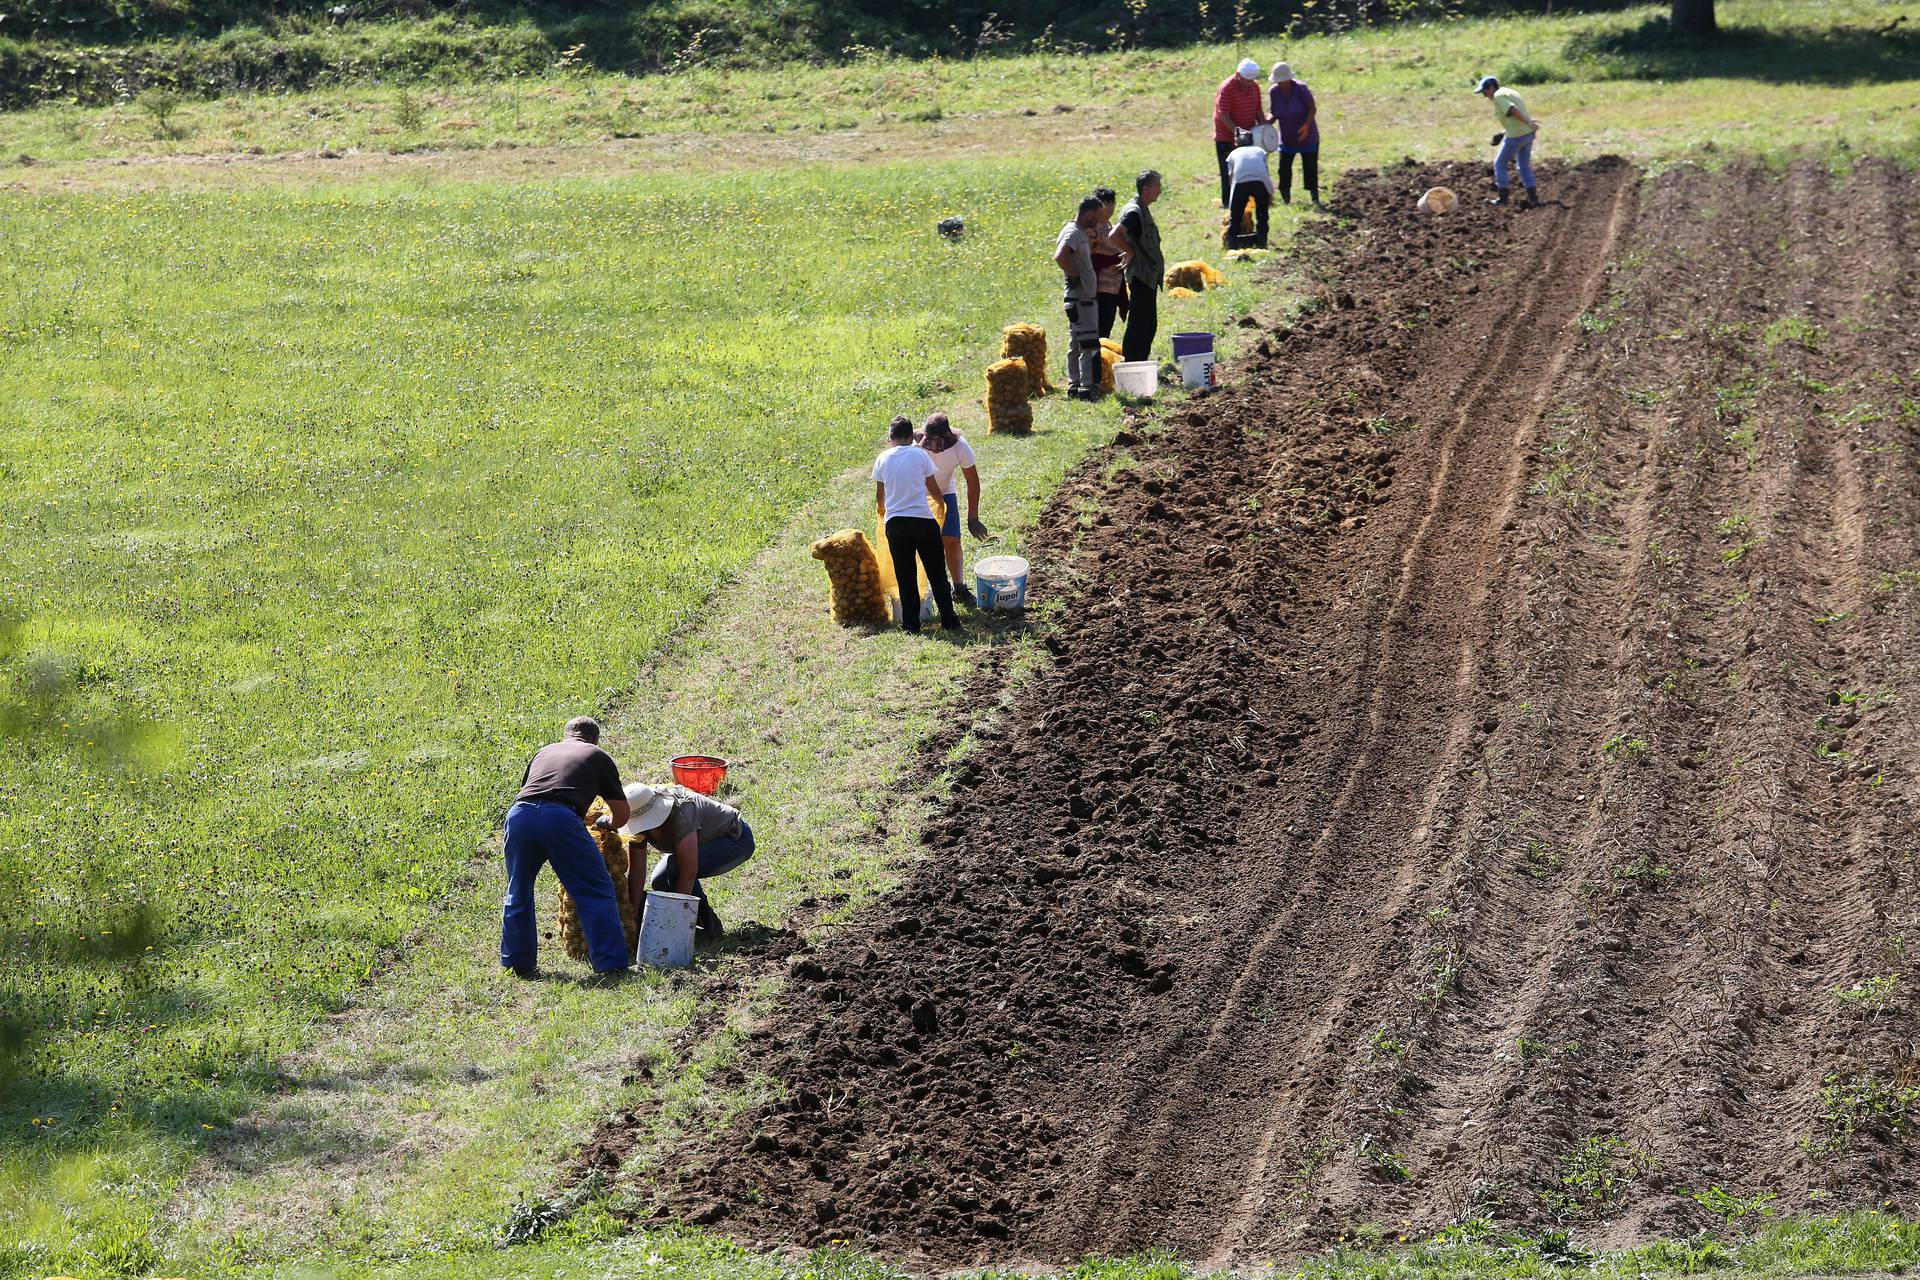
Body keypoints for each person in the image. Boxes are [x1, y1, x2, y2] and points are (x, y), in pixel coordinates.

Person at [500, 716, 633, 978]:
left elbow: (531, 791)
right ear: (594, 739)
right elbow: (622, 814)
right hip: (559, 818)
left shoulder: (545, 752)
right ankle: (611, 964)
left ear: (566, 736)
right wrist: (607, 822)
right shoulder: (597, 755)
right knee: (594, 888)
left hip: (519, 816)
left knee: (518, 889)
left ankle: (517, 964)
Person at [612, 781, 754, 942]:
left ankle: (710, 926)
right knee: (660, 880)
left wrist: (673, 923)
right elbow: (637, 870)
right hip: (702, 842)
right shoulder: (639, 816)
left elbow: (688, 873)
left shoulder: (680, 815)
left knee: (675, 870)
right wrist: (634, 915)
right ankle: (696, 925)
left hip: (735, 839)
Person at [873, 415, 960, 633]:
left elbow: (880, 496)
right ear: (912, 436)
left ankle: (911, 625)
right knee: (937, 573)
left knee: (906, 576)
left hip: (895, 525)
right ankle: (949, 620)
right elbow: (932, 487)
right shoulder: (919, 455)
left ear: (890, 438)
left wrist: (884, 512)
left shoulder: (882, 459)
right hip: (923, 521)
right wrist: (941, 505)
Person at [918, 412, 989, 600]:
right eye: (929, 440)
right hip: (918, 495)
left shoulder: (960, 446)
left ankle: (958, 587)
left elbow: (972, 481)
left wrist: (972, 517)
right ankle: (925, 590)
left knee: (951, 539)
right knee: (925, 543)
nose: (933, 446)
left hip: (945, 492)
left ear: (946, 437)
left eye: (937, 441)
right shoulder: (915, 446)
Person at [1109, 170, 1164, 365]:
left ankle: (1140, 365)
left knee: (1148, 324)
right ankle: (1132, 366)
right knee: (1140, 325)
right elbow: (1114, 235)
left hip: (1147, 276)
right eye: (1157, 186)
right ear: (1146, 188)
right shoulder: (1134, 211)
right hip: (1141, 276)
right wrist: (1129, 251)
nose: (1160, 190)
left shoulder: (1141, 208)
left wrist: (1130, 249)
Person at [1054, 195, 1104, 401]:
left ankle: (1074, 385)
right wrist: (1076, 276)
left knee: (1076, 342)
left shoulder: (1077, 232)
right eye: (1099, 214)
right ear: (1089, 213)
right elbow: (1060, 256)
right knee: (1090, 343)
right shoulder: (1073, 233)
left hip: (1078, 298)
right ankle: (1088, 388)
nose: (1100, 219)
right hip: (1081, 298)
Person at [1212, 57, 1268, 209]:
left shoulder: (1254, 87)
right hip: (1226, 136)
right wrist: (1238, 132)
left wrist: (1265, 129)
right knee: (1229, 171)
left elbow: (1258, 111)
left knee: (1249, 169)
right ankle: (1228, 203)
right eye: (1246, 81)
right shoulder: (1227, 88)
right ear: (1237, 75)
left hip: (1250, 135)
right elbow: (1223, 115)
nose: (1249, 84)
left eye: (1251, 81)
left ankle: (1249, 201)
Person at [1477, 75, 1540, 207]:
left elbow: (1512, 110)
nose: (1484, 95)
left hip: (1517, 136)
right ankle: (1533, 198)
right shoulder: (1509, 91)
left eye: (1485, 91)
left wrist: (1529, 122)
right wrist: (1502, 134)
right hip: (1528, 133)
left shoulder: (1499, 96)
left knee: (1499, 164)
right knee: (1523, 166)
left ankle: (1502, 199)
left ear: (1492, 87)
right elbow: (1516, 115)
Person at [1268, 63, 1320, 206]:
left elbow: (1312, 108)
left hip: (1307, 136)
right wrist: (1266, 123)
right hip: (1287, 137)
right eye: (1277, 81)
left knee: (1310, 168)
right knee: (1284, 170)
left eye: (1282, 81)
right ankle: (1286, 199)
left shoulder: (1301, 89)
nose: (1279, 84)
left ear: (1289, 79)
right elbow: (1274, 113)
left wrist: (1306, 126)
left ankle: (1314, 198)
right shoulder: (1274, 92)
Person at [1223, 128, 1275, 249]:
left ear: (1237, 143)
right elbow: (1265, 172)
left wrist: (1234, 199)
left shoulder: (1232, 154)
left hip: (1241, 182)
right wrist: (1269, 193)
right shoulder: (1260, 151)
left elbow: (1231, 178)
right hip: (1260, 182)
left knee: (1235, 216)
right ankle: (1262, 242)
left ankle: (1232, 244)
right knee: (1262, 214)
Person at [1090, 187, 1129, 340]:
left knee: (1107, 326)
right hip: (1100, 286)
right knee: (1100, 328)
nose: (1110, 207)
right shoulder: (1092, 228)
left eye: (1112, 203)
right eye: (1106, 203)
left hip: (1113, 284)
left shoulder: (1109, 225)